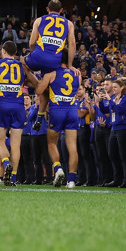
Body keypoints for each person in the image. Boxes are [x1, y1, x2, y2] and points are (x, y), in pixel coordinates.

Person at [0, 41, 38, 186]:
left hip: (2, 105)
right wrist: (22, 84)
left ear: (3, 50)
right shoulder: (22, 65)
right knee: (16, 145)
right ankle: (13, 177)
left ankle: (6, 162)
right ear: (15, 52)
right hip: (18, 107)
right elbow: (36, 82)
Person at [34, 50, 81, 188]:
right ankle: (72, 180)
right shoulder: (77, 74)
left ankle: (58, 168)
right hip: (72, 110)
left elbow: (38, 91)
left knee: (51, 143)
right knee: (72, 147)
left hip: (57, 110)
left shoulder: (51, 73)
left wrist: (43, 81)